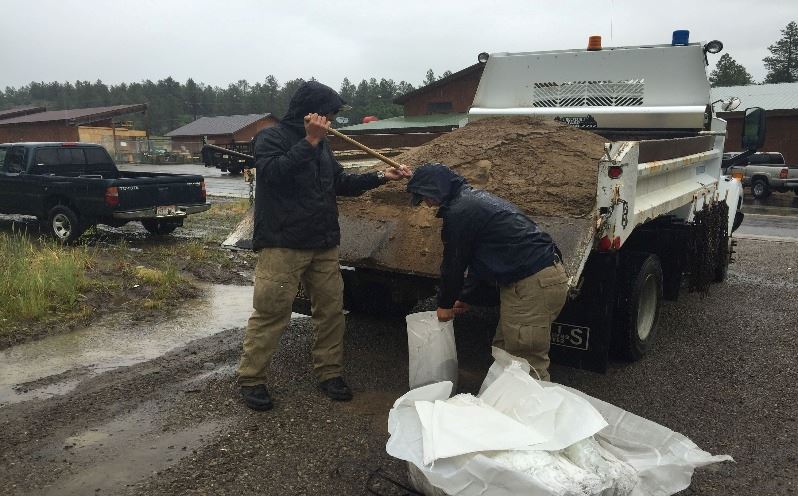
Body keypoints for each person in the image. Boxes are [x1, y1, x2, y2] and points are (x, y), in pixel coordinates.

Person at [238, 81, 411, 410]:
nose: (331, 121)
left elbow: (340, 182)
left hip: (323, 242)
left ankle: (329, 373)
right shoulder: (271, 137)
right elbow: (273, 174)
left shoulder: (322, 144)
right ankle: (251, 378)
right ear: (312, 112)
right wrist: (310, 141)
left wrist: (379, 177)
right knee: (271, 313)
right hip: (283, 243)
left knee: (331, 312)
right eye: (328, 114)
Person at [406, 163, 568, 382]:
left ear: (438, 188)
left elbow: (454, 264)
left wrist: (445, 304)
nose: (427, 203)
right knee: (505, 351)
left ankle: (531, 404)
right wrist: (466, 296)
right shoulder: (471, 201)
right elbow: (479, 261)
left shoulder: (460, 211)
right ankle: (506, 401)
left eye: (426, 196)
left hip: (532, 284)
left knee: (525, 363)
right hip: (531, 280)